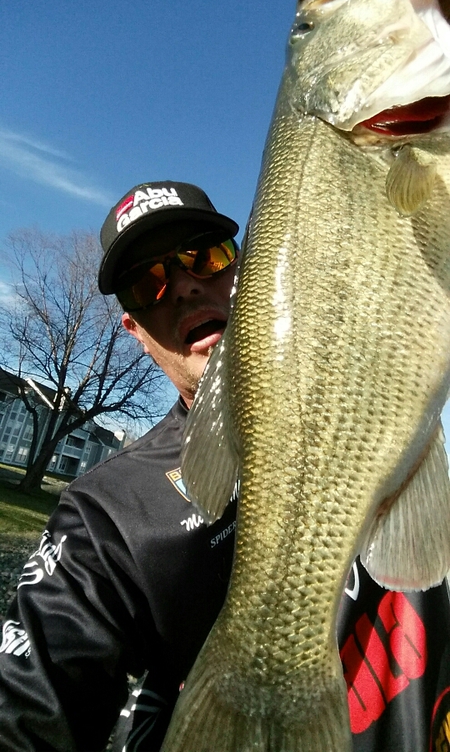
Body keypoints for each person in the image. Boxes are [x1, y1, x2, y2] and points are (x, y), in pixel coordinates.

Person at [0, 176, 450, 752]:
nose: (185, 285)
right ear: (135, 330)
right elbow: (29, 704)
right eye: (147, 281)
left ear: (248, 269)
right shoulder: (108, 512)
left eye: (204, 256)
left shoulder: (371, 376)